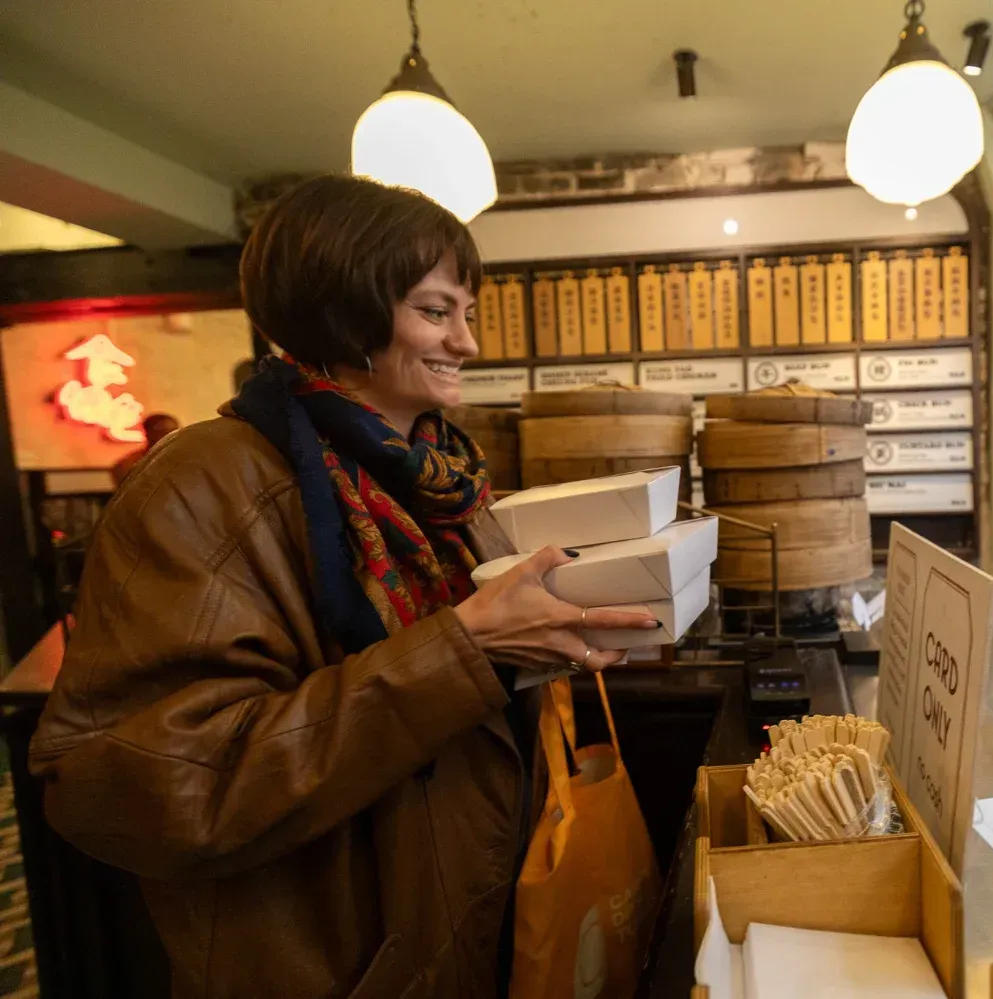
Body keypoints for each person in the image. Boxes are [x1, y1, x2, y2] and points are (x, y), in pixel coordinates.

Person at [29, 175, 659, 999]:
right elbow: (142, 784)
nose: (467, 343)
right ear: (342, 309)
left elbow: (455, 681)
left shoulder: (439, 478)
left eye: (467, 313)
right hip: (332, 960)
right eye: (436, 312)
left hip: (460, 927)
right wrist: (466, 649)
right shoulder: (204, 484)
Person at [108, 412, 179, 485]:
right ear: (147, 433)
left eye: (174, 431)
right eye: (162, 431)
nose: (170, 435)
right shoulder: (127, 465)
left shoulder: (186, 459)